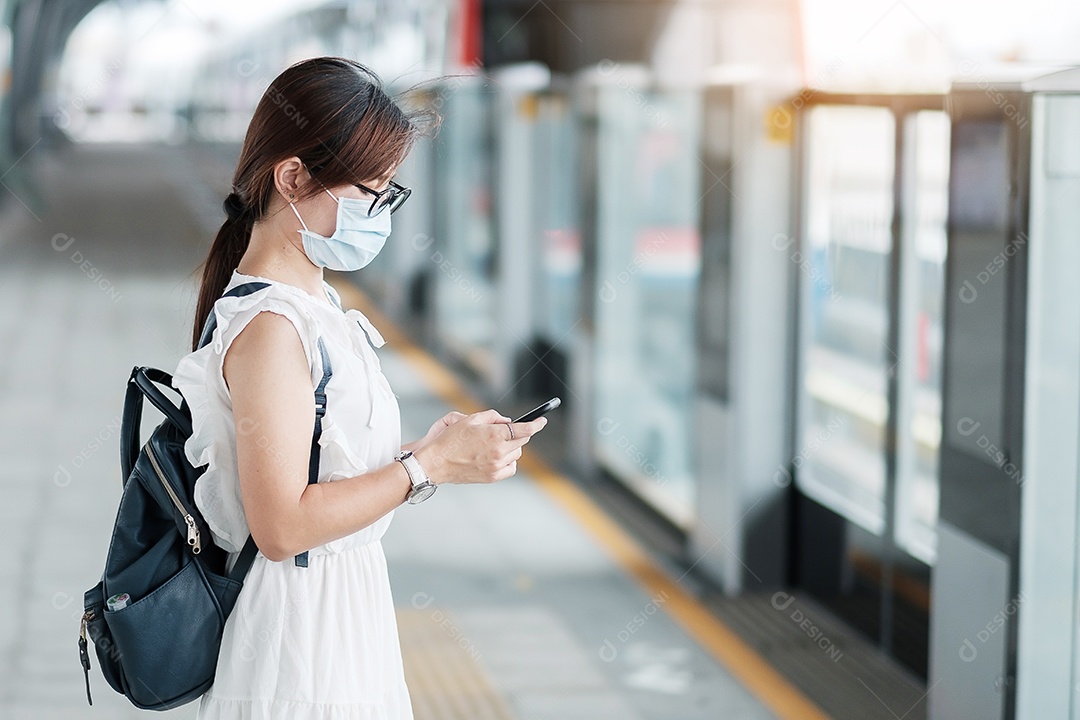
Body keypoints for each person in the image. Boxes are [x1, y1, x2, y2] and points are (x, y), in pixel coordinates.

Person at [172, 56, 547, 719]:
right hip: (298, 645)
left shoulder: (308, 301)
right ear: (292, 177)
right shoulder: (270, 328)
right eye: (372, 191)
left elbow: (317, 463)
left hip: (337, 626)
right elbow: (283, 525)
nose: (381, 212)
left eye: (389, 192)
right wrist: (424, 466)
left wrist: (436, 455)